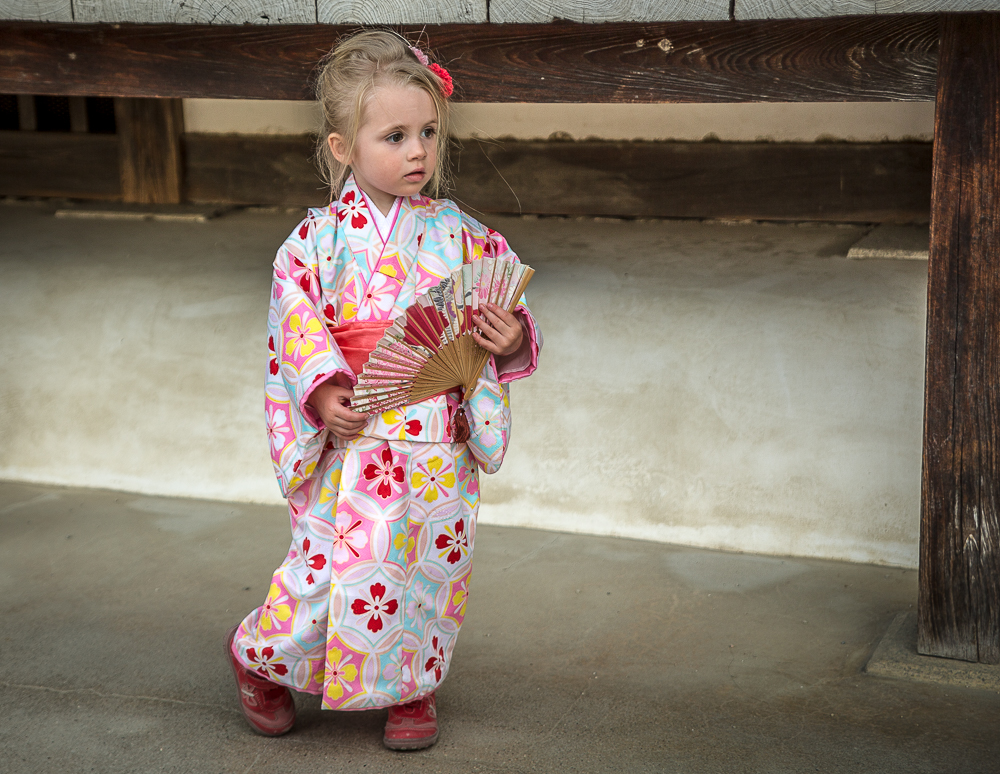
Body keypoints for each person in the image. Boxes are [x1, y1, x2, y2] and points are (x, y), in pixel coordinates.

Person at [224, 29, 542, 751]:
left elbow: (506, 304)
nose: (418, 152)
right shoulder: (313, 244)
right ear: (343, 148)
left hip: (436, 444)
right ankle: (259, 659)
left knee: (427, 571)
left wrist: (511, 337)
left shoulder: (464, 235)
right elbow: (295, 326)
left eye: (428, 132)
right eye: (394, 136)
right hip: (354, 435)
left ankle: (412, 690)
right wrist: (321, 391)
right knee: (325, 575)